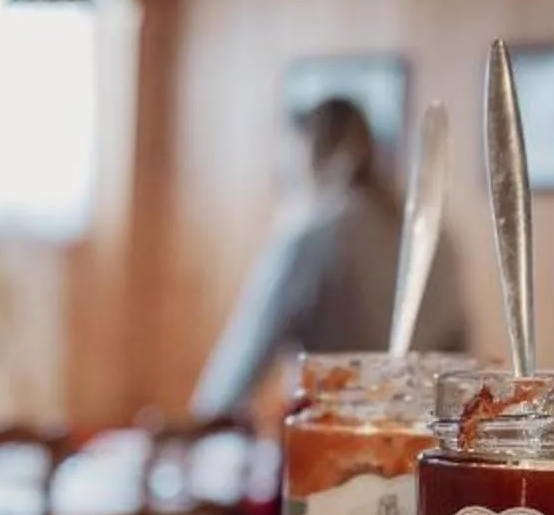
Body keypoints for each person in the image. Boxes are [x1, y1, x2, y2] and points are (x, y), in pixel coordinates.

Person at [189, 97, 468, 422]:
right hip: (423, 444)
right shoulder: (437, 236)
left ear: (307, 155)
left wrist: (200, 427)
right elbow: (461, 362)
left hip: (334, 444)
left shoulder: (312, 237)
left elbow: (234, 374)